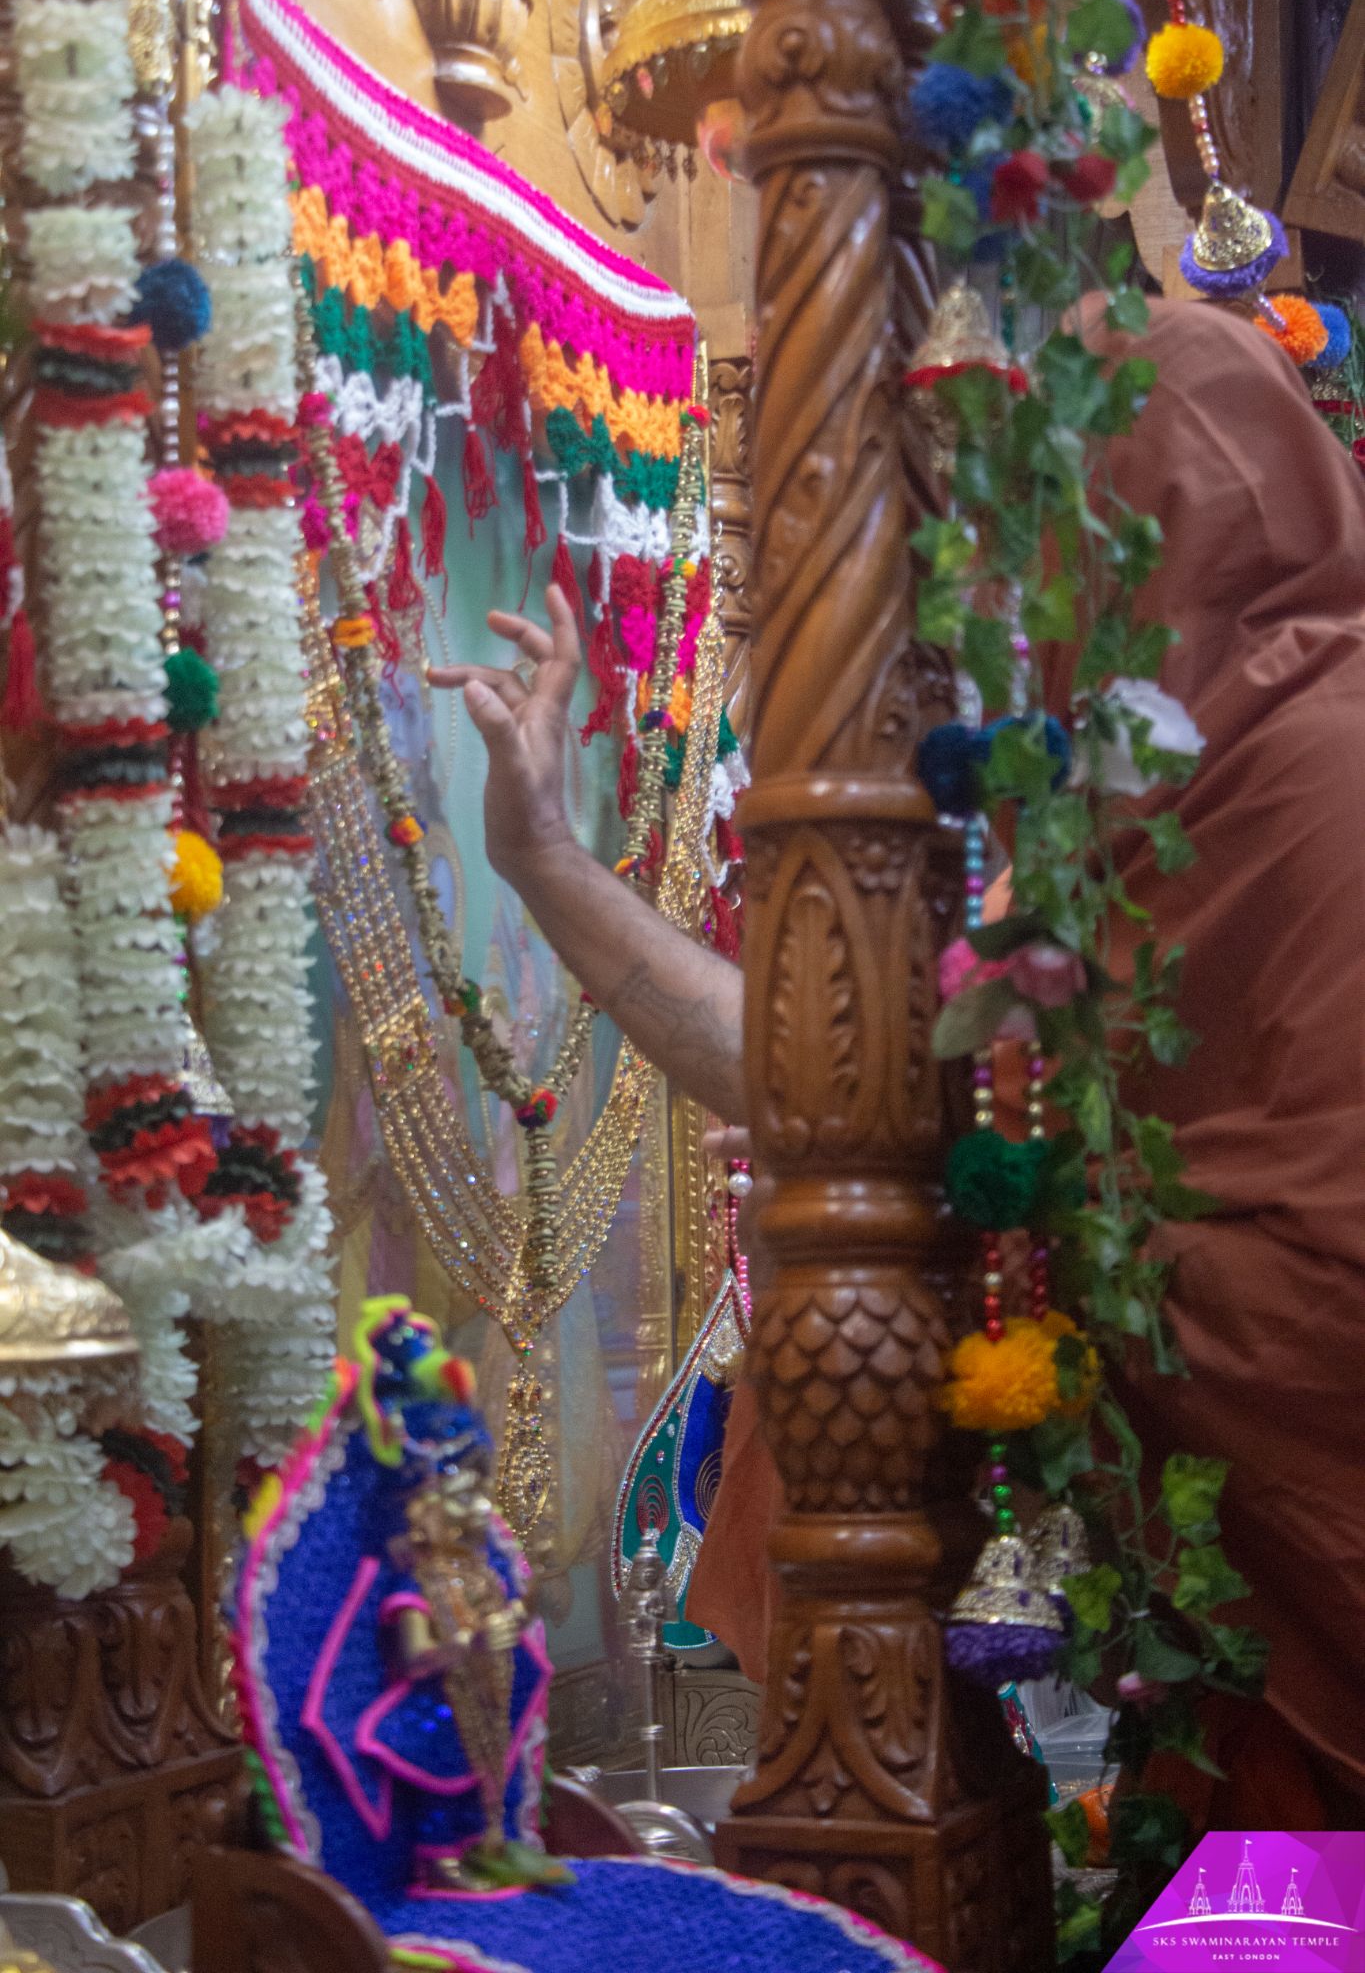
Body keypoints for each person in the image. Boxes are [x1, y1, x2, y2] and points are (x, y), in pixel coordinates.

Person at [433, 293, 1365, 1828]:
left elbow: (1321, 1252)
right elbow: (850, 1094)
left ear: (1161, 521)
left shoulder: (1320, 762)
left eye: (1052, 533)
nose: (1017, 597)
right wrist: (546, 866)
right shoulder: (1123, 802)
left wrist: (1027, 1238)